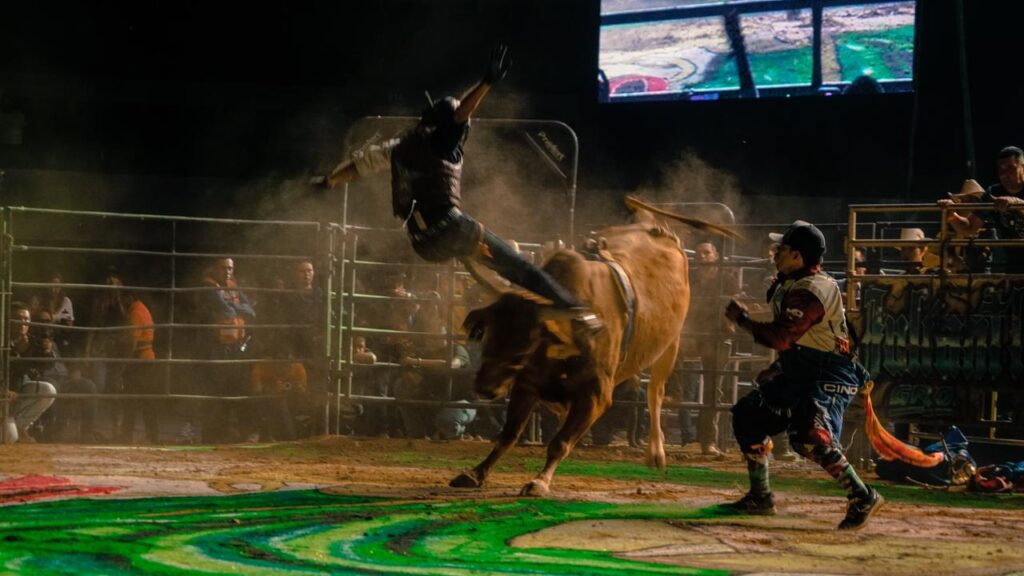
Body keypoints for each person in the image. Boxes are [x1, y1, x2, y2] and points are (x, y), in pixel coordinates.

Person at [311, 44, 601, 335]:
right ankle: (575, 309)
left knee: (482, 265)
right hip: (451, 229)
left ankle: (492, 313)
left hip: (422, 243)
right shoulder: (443, 140)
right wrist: (487, 82)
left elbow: (358, 166)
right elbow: (461, 112)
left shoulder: (399, 148)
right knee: (518, 266)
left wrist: (328, 181)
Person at [723, 221, 883, 530]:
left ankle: (863, 495)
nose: (774, 253)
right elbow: (795, 340)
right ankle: (761, 496)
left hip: (829, 373)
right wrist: (782, 365)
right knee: (748, 416)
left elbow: (782, 337)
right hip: (802, 367)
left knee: (810, 436)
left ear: (797, 256)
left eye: (780, 249)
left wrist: (742, 320)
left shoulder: (812, 290)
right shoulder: (792, 283)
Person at [678, 241, 737, 456]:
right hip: (692, 334)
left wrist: (730, 322)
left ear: (715, 256)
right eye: (699, 253)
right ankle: (686, 435)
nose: (702, 257)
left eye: (707, 253)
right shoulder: (690, 277)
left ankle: (707, 441)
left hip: (716, 336)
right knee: (680, 381)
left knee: (714, 389)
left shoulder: (726, 278)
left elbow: (737, 303)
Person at [195, 257, 256, 443]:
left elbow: (251, 310)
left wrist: (235, 307)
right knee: (216, 390)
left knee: (233, 388)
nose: (228, 271)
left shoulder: (233, 286)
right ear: (215, 268)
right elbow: (223, 308)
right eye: (224, 268)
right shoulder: (209, 286)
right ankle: (212, 433)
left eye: (230, 268)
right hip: (216, 346)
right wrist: (238, 308)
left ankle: (229, 432)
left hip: (235, 346)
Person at [941, 147, 1024, 271]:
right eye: (1001, 169)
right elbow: (970, 229)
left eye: (1010, 168)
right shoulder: (993, 192)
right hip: (1015, 262)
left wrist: (1016, 202)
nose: (1004, 174)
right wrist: (950, 213)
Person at [5, 302, 57, 443]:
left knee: (48, 389)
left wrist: (47, 351)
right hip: (3, 391)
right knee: (8, 438)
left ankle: (21, 426)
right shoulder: (2, 339)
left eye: (26, 319)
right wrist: (15, 351)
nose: (23, 323)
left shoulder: (31, 341)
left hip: (17, 389)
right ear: (8, 319)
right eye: (19, 319)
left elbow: (47, 365)